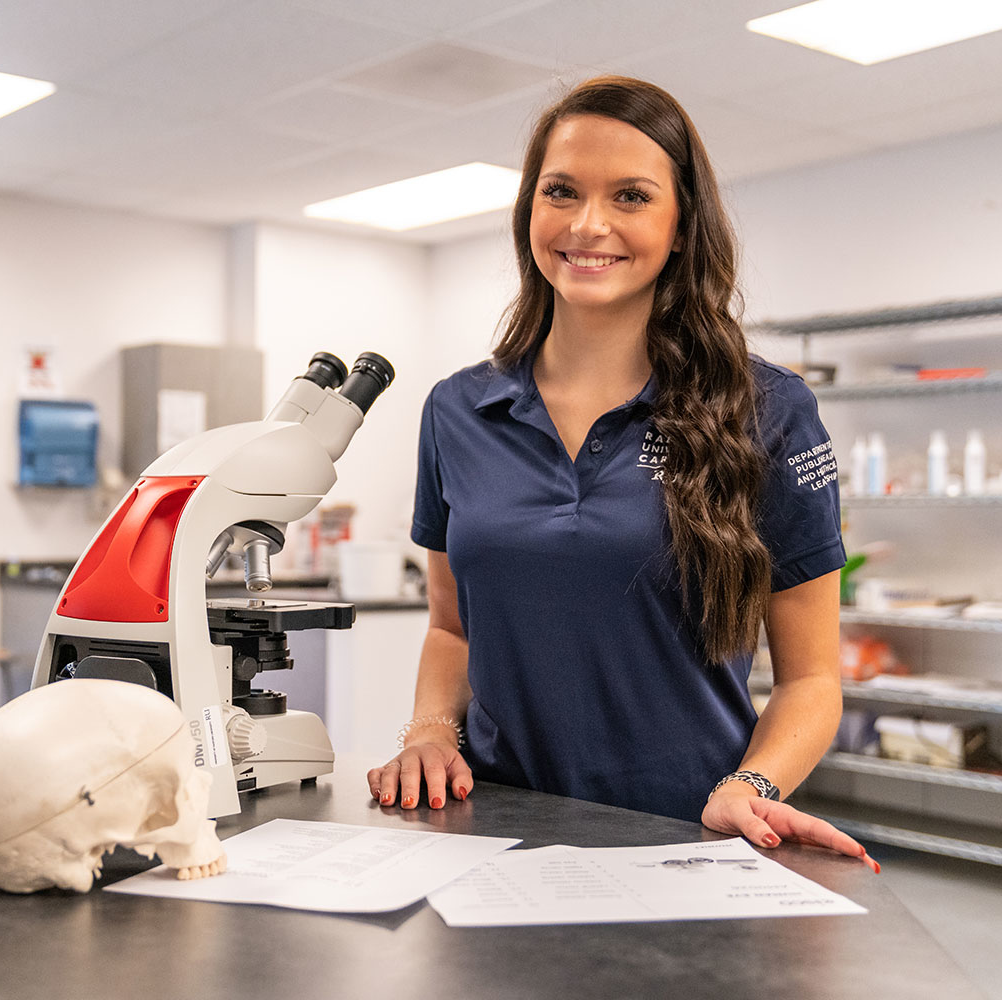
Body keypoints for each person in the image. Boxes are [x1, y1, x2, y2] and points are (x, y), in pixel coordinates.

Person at [367, 75, 874, 867]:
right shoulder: (458, 410)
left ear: (680, 227)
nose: (588, 224)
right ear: (529, 211)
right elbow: (450, 626)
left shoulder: (767, 408)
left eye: (631, 196)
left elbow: (812, 679)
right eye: (561, 191)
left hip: (687, 839)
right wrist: (429, 733)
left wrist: (755, 785)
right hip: (492, 835)